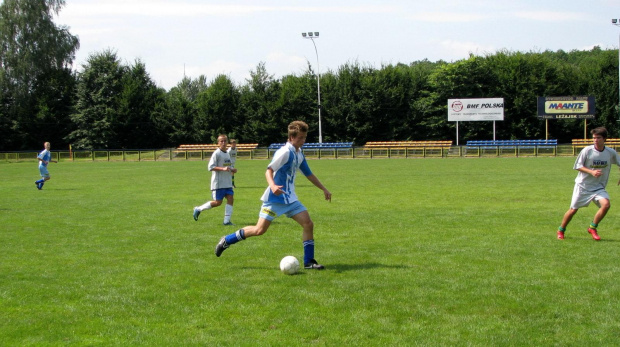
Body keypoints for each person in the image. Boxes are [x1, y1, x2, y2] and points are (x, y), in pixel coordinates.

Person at [214, 120, 332, 270]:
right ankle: (226, 240)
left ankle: (309, 262)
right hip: (274, 198)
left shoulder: (298, 153)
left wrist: (324, 189)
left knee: (308, 223)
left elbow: (308, 173)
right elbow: (268, 170)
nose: (303, 141)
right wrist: (273, 185)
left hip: (290, 198)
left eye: (305, 137)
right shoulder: (285, 152)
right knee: (259, 230)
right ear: (291, 137)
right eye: (300, 138)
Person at [557, 127, 620, 240]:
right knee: (573, 210)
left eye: (598, 138)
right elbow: (577, 166)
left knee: (606, 205)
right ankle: (561, 230)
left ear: (604, 139)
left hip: (598, 187)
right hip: (583, 186)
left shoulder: (610, 152)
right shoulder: (587, 151)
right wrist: (591, 171)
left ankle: (592, 227)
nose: (595, 140)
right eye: (594, 138)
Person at [193, 134, 237, 225]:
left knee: (230, 198)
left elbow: (227, 166)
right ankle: (198, 209)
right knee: (218, 202)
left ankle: (226, 221)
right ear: (218, 143)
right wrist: (223, 169)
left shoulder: (227, 153)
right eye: (221, 141)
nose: (223, 143)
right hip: (219, 183)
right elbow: (210, 167)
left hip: (227, 182)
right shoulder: (217, 153)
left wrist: (232, 169)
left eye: (225, 141)